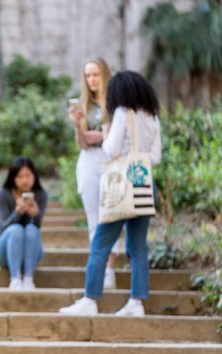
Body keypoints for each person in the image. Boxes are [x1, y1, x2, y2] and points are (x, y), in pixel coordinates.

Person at [59, 70, 162, 317]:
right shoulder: (152, 116)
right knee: (137, 247)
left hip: (121, 185)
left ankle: (90, 300)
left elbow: (110, 149)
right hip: (144, 183)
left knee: (101, 243)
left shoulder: (121, 112)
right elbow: (156, 157)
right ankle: (136, 303)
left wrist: (106, 134)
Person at [68, 57, 123, 289]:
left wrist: (101, 136)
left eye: (95, 74)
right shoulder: (84, 105)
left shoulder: (116, 102)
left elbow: (119, 136)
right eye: (88, 75)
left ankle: (110, 268)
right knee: (93, 215)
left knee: (110, 213)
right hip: (89, 160)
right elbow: (82, 143)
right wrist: (77, 126)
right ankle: (99, 267)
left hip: (111, 160)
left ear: (105, 75)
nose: (91, 80)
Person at [0, 157, 48, 290]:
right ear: (13, 177)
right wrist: (18, 212)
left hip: (31, 254)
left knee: (31, 229)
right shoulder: (3, 194)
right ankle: (15, 278)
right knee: (16, 230)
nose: (25, 180)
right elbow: (3, 227)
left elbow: (37, 227)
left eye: (28, 175)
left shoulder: (41, 195)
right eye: (20, 176)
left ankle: (29, 278)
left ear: (34, 176)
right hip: (6, 252)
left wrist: (35, 214)